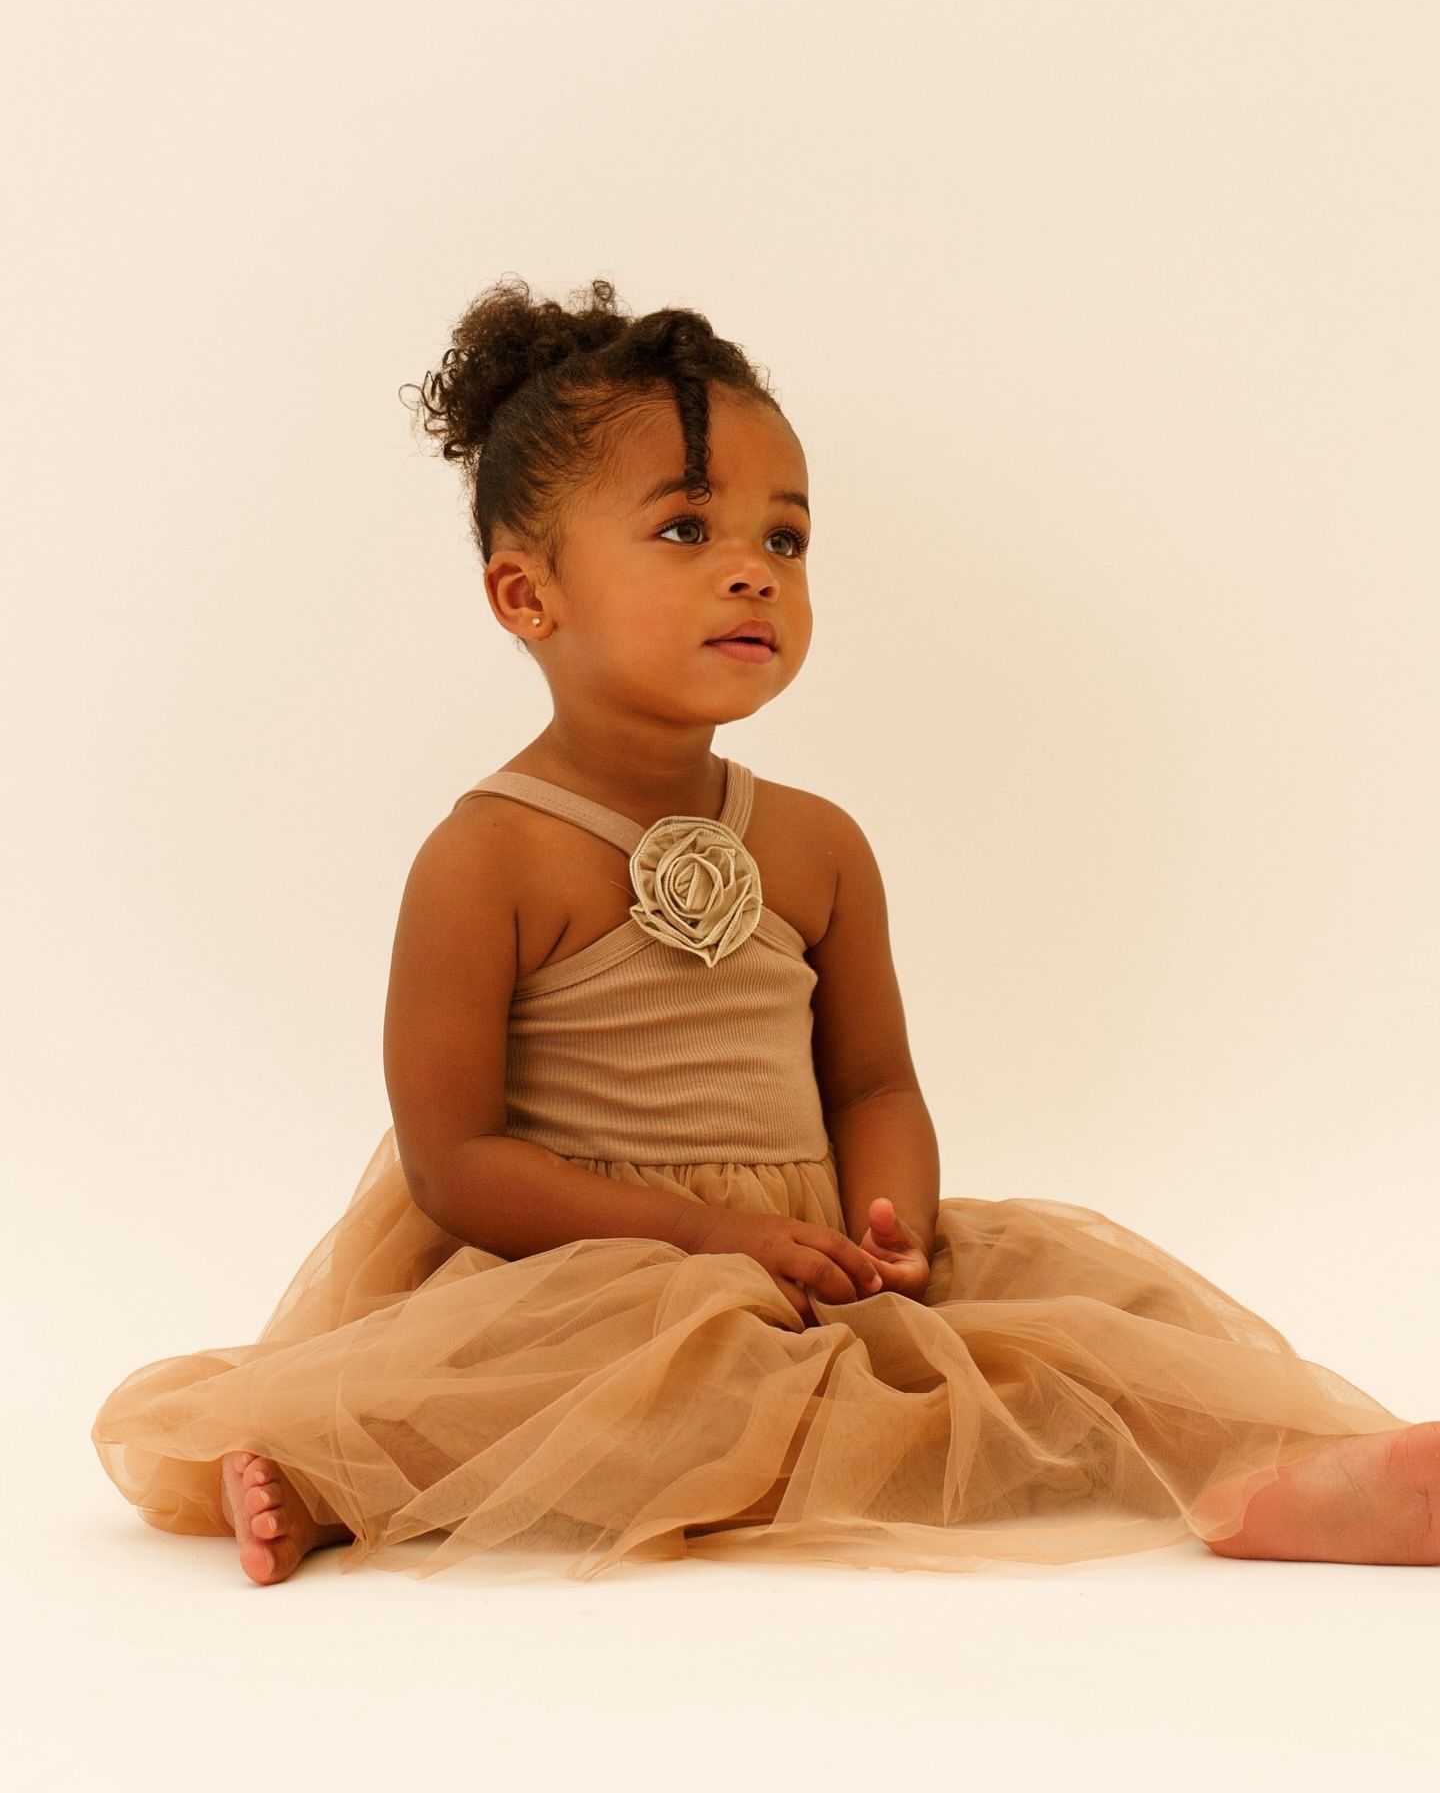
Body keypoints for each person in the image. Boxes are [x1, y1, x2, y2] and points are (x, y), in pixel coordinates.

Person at [91, 274, 1438, 1587]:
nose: (752, 574)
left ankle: (1291, 1474)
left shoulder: (816, 844)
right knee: (635, 1389)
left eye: (783, 540)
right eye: (687, 532)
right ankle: (339, 1473)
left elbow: (870, 1080)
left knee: (1080, 1332)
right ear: (526, 595)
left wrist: (888, 1217)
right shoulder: (488, 854)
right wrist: (699, 1244)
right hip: (583, 1264)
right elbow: (455, 1161)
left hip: (814, 1253)